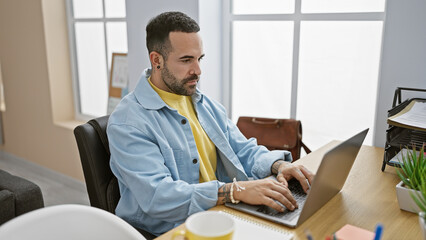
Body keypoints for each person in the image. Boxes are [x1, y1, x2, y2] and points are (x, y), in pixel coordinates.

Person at [107, 11, 314, 236]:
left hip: (221, 216)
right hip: (172, 230)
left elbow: (242, 149)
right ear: (157, 60)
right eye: (186, 60)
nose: (198, 70)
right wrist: (235, 191)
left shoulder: (204, 104)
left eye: (199, 58)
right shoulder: (128, 122)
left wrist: (279, 166)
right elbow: (159, 196)